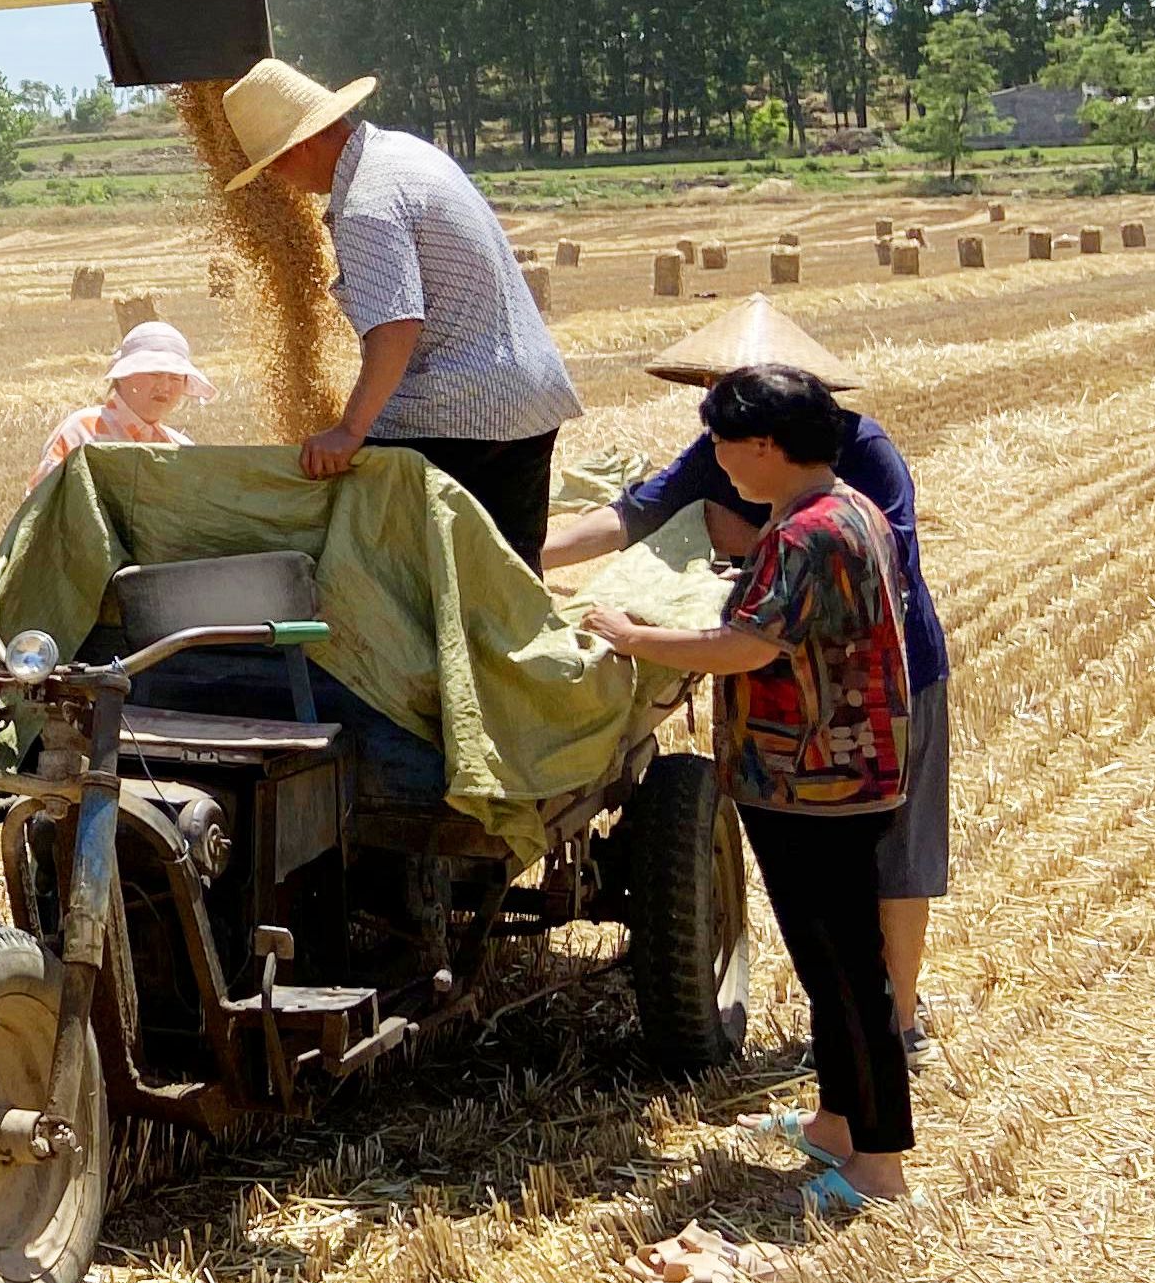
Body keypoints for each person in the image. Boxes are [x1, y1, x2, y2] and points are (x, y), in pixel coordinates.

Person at [540, 298, 952, 1058]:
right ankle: (858, 1051)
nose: (711, 424)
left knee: (893, 862)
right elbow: (638, 514)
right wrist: (529, 558)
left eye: (727, 405)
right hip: (793, 699)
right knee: (826, 885)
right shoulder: (722, 452)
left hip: (884, 685)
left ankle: (894, 1030)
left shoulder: (860, 460)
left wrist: (744, 553)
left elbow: (853, 571)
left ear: (772, 426)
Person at [583, 363, 916, 1210]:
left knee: (847, 972)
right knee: (828, 963)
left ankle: (879, 1169)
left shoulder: (807, 533)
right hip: (836, 770)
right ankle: (836, 1127)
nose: (720, 464)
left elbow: (746, 647)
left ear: (766, 445)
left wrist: (635, 635)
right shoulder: (846, 510)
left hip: (816, 778)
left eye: (727, 448)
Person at [217, 58, 581, 565]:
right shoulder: (405, 153)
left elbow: (396, 327)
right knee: (510, 573)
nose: (278, 181)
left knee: (398, 565)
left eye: (273, 164)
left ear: (300, 145)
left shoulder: (365, 204)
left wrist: (349, 430)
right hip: (528, 396)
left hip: (460, 408)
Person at [31, 321, 212, 487]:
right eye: (154, 374)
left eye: (175, 378)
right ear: (125, 377)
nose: (165, 386)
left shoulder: (181, 449)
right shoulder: (81, 433)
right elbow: (40, 509)